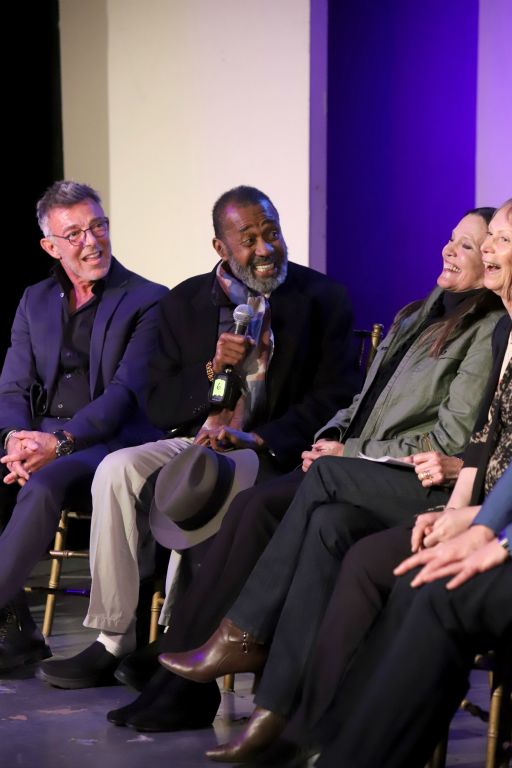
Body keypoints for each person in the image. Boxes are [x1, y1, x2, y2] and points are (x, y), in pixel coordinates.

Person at [110, 206, 502, 737]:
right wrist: (333, 438)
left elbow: (453, 441)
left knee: (264, 504)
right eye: (453, 239)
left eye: (473, 246)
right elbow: (363, 398)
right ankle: (186, 669)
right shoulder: (420, 311)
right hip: (351, 462)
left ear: (497, 261)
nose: (450, 250)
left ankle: (217, 657)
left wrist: (349, 452)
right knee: (252, 506)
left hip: (400, 477)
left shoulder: (488, 328)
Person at [37, 185, 358, 693]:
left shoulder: (321, 299)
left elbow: (337, 395)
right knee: (116, 470)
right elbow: (158, 402)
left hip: (265, 447)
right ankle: (113, 638)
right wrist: (215, 368)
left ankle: (176, 639)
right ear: (220, 248)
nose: (264, 248)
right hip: (195, 439)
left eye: (270, 232)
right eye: (247, 238)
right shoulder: (184, 302)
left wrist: (257, 437)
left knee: (210, 485)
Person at [270, 198, 512, 768]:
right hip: (478, 507)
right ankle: (306, 724)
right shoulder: (453, 322)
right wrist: (463, 515)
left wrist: (487, 531)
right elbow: (486, 439)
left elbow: (459, 440)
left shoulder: (487, 331)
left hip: (472, 510)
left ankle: (330, 738)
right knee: (341, 534)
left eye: (495, 241)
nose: (483, 251)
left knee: (419, 585)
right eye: (489, 239)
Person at [0, 180, 168, 673]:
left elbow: (123, 396)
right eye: (74, 234)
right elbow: (13, 387)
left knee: (44, 483)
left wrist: (60, 442)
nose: (91, 242)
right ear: (49, 246)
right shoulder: (34, 301)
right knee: (13, 471)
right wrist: (15, 440)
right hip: (39, 438)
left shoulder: (146, 300)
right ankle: (15, 632)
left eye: (98, 226)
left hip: (107, 441)